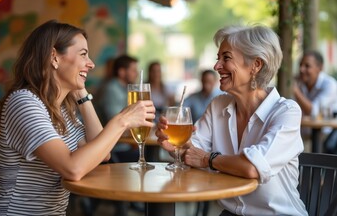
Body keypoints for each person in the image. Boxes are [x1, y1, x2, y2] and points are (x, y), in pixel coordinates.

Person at [0, 20, 155, 215]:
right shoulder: (24, 103)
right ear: (54, 57)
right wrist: (122, 120)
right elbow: (72, 169)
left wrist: (82, 97)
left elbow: (103, 154)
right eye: (83, 54)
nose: (91, 64)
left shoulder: (61, 109)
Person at [156, 25, 307, 215]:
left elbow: (252, 168)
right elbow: (192, 152)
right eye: (218, 58)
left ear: (256, 65)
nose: (216, 66)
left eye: (226, 58)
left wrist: (206, 158)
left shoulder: (286, 112)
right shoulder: (218, 105)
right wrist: (178, 146)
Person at [95, 54, 139, 126]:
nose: (136, 73)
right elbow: (116, 120)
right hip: (108, 135)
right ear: (122, 72)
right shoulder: (111, 89)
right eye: (133, 70)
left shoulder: (128, 88)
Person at [293, 50, 337, 119]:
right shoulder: (299, 83)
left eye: (307, 66)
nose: (301, 69)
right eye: (300, 65)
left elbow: (313, 112)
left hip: (327, 129)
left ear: (320, 68)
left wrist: (296, 91)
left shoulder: (330, 85)